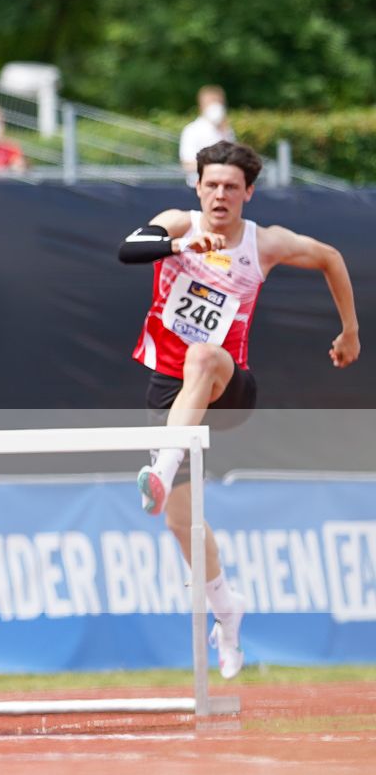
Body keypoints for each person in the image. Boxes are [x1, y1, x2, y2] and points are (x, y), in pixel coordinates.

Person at [122, 140, 359, 678]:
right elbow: (128, 250)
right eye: (211, 185)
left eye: (232, 186)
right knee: (184, 524)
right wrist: (180, 250)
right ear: (197, 187)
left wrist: (350, 330)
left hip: (228, 386)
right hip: (170, 390)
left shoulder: (265, 243)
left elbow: (331, 259)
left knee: (204, 356)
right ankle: (226, 609)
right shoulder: (177, 225)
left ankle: (162, 466)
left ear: (248, 192)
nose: (220, 195)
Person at [178, 85, 236, 183]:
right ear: (201, 105)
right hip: (199, 188)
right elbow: (187, 164)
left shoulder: (227, 130)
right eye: (211, 103)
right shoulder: (192, 130)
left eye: (218, 103)